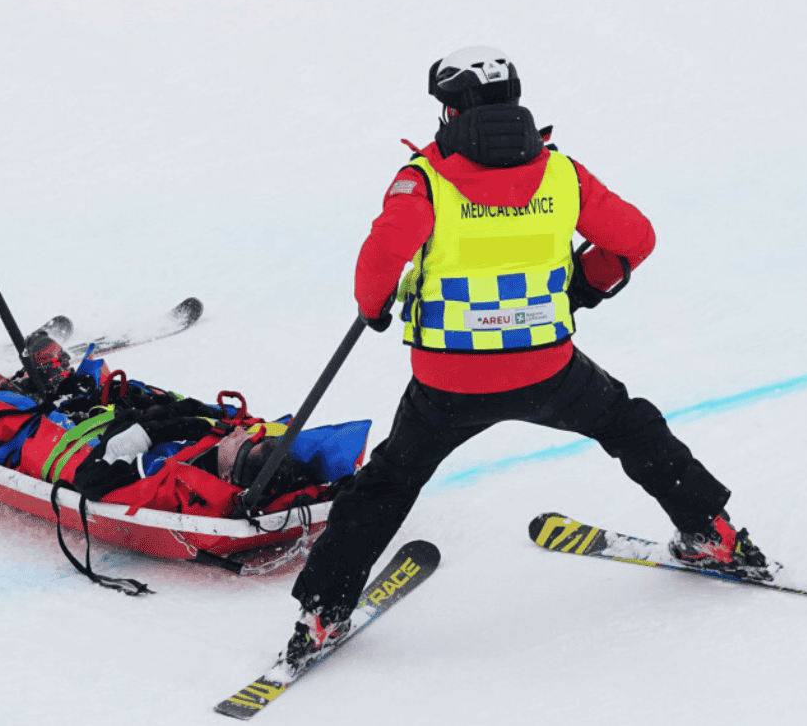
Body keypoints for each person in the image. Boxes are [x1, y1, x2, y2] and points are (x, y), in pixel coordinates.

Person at [280, 46, 766, 669]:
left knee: (389, 481)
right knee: (631, 426)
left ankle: (323, 612)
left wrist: (373, 307)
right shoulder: (563, 175)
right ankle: (711, 532)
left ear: (450, 110)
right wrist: (586, 282)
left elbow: (380, 258)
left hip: (448, 380)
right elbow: (635, 239)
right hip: (547, 368)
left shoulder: (423, 179)